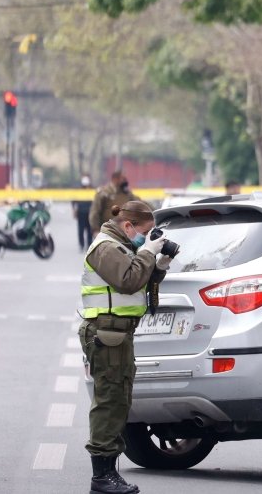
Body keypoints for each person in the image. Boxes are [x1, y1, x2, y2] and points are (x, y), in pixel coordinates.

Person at [78, 200, 173, 494]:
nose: (146, 239)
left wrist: (159, 266)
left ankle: (109, 474)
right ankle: (102, 477)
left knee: (119, 401)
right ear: (128, 226)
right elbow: (128, 280)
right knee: (109, 402)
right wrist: (147, 252)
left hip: (118, 335)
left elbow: (140, 284)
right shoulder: (105, 248)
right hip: (106, 334)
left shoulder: (123, 247)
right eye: (144, 233)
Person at [89, 171, 139, 238]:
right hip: (107, 231)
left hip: (125, 231)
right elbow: (95, 211)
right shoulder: (104, 193)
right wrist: (95, 229)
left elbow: (139, 203)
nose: (125, 181)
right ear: (115, 179)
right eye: (123, 179)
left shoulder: (127, 193)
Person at [73, 175, 94, 249]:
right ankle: (82, 244)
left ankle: (88, 244)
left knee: (89, 229)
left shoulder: (92, 190)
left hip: (89, 213)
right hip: (81, 213)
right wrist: (74, 210)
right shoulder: (79, 191)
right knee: (81, 229)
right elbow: (74, 201)